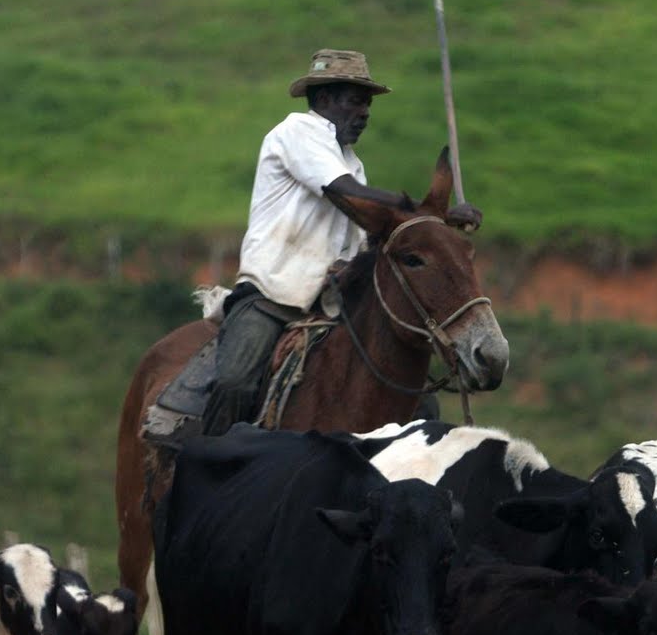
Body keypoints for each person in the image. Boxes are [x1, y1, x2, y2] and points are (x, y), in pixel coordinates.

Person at [201, 48, 478, 436]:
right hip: (272, 295)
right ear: (324, 98)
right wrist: (436, 211)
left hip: (331, 305)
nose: (364, 113)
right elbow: (342, 191)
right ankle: (211, 470)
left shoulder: (353, 163)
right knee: (235, 381)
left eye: (367, 104)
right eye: (354, 101)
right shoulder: (296, 132)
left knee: (420, 402)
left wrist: (431, 225)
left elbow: (365, 231)